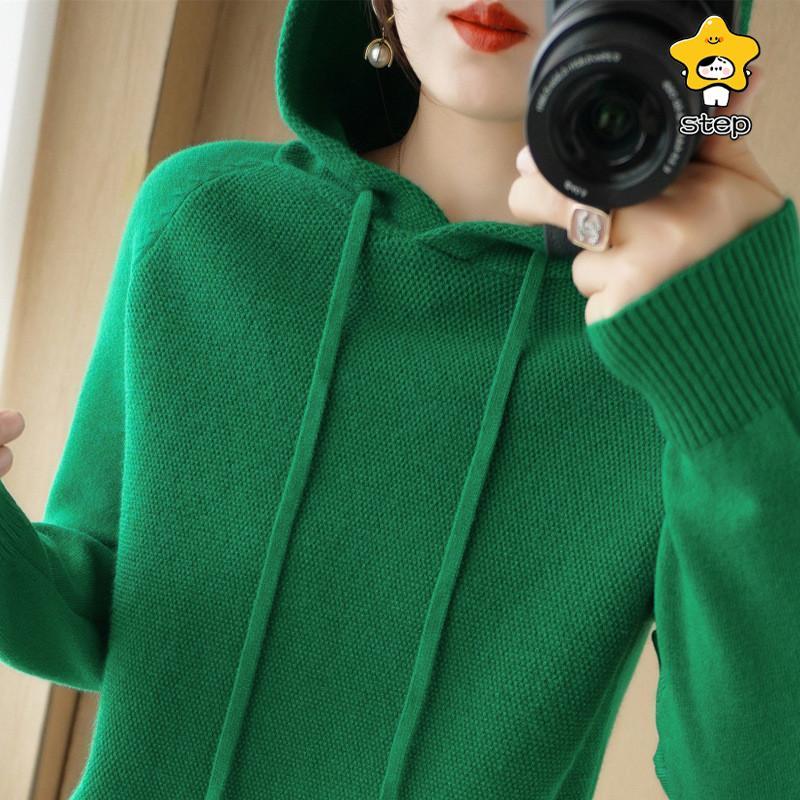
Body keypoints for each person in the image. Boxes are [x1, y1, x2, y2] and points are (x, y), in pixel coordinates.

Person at [0, 1, 798, 798]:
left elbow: (746, 777)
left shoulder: (681, 345)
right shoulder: (205, 219)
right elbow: (98, 617)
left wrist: (739, 384)